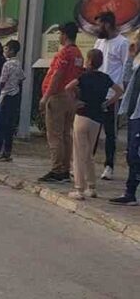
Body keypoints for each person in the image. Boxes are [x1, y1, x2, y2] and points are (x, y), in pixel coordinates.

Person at [66, 49, 122, 199]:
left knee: (78, 154)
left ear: (89, 61)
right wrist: (107, 103)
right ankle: (91, 187)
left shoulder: (84, 76)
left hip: (82, 115)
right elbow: (119, 91)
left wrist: (75, 101)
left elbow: (68, 87)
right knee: (89, 154)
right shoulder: (105, 78)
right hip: (97, 118)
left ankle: (79, 189)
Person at [39, 22, 84, 183]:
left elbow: (57, 75)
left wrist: (46, 97)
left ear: (64, 35)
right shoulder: (78, 54)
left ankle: (57, 169)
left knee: (55, 135)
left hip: (58, 96)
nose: (59, 37)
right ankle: (65, 168)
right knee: (65, 134)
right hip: (70, 97)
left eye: (60, 34)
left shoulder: (65, 53)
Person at [93, 11, 130, 180]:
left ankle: (109, 166)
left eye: (99, 25)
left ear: (107, 24)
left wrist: (122, 94)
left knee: (110, 133)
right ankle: (86, 161)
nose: (97, 28)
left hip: (112, 95)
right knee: (92, 129)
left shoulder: (122, 43)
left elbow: (126, 69)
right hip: (96, 93)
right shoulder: (99, 41)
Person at [109, 31, 140, 205]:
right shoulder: (137, 64)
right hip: (134, 113)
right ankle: (130, 193)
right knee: (132, 154)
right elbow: (126, 80)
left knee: (135, 154)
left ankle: (131, 191)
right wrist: (130, 57)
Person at [0, 40, 25, 162]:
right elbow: (22, 77)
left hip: (6, 95)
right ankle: (7, 152)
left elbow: (2, 81)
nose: (5, 51)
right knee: (9, 125)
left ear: (12, 51)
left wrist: (1, 88)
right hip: (15, 95)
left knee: (0, 125)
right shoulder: (18, 64)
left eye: (6, 49)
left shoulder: (7, 65)